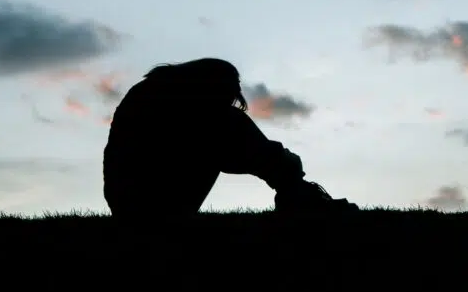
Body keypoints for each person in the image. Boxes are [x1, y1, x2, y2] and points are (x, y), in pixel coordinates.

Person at [102, 57, 358, 219]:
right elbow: (224, 148)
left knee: (227, 122)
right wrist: (286, 164)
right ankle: (297, 192)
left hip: (135, 201)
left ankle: (295, 189)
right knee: (228, 120)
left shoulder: (155, 92)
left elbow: (225, 153)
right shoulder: (170, 101)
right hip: (147, 202)